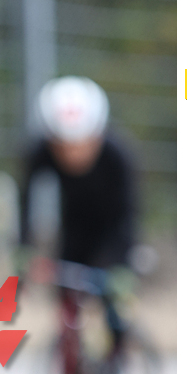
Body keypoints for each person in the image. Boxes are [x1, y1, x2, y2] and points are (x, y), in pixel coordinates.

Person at [20, 75, 139, 356]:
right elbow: (25, 203)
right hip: (74, 226)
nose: (72, 154)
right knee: (67, 297)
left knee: (113, 296)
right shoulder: (39, 154)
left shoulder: (119, 156)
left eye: (81, 144)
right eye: (63, 145)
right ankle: (71, 364)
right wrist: (24, 252)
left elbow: (128, 216)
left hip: (113, 230)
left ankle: (117, 356)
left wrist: (119, 267)